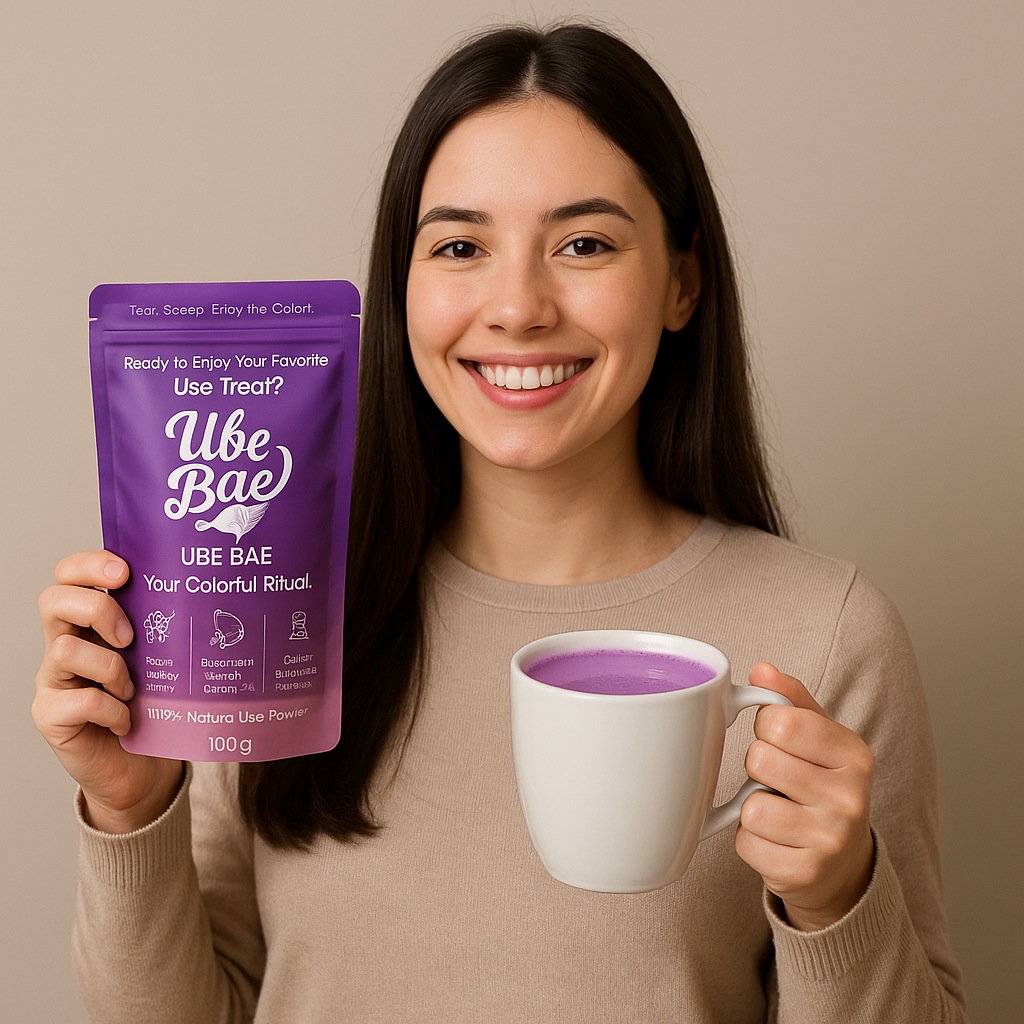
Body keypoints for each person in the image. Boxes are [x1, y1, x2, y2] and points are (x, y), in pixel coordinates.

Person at [33, 22, 968, 1023]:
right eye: (460, 246)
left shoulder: (826, 634)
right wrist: (133, 811)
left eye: (584, 243)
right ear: (405, 287)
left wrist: (836, 902)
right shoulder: (286, 612)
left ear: (682, 281)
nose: (516, 306)